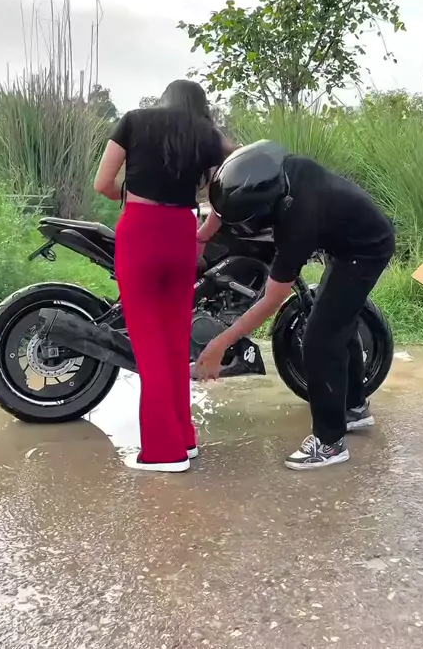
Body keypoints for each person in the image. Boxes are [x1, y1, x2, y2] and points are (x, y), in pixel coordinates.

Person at [195, 140, 395, 471]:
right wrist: (202, 235)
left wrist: (220, 343)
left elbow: (271, 300)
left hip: (365, 251)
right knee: (337, 322)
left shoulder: (297, 223)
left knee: (319, 340)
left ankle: (330, 443)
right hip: (349, 239)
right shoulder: (273, 172)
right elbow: (229, 193)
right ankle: (353, 408)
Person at [94, 81, 230, 473]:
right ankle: (184, 439)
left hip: (140, 230)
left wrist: (128, 194)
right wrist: (206, 231)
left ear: (165, 98)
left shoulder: (134, 121)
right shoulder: (206, 133)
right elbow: (229, 188)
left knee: (149, 345)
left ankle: (163, 452)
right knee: (173, 343)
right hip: (182, 233)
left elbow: (102, 184)